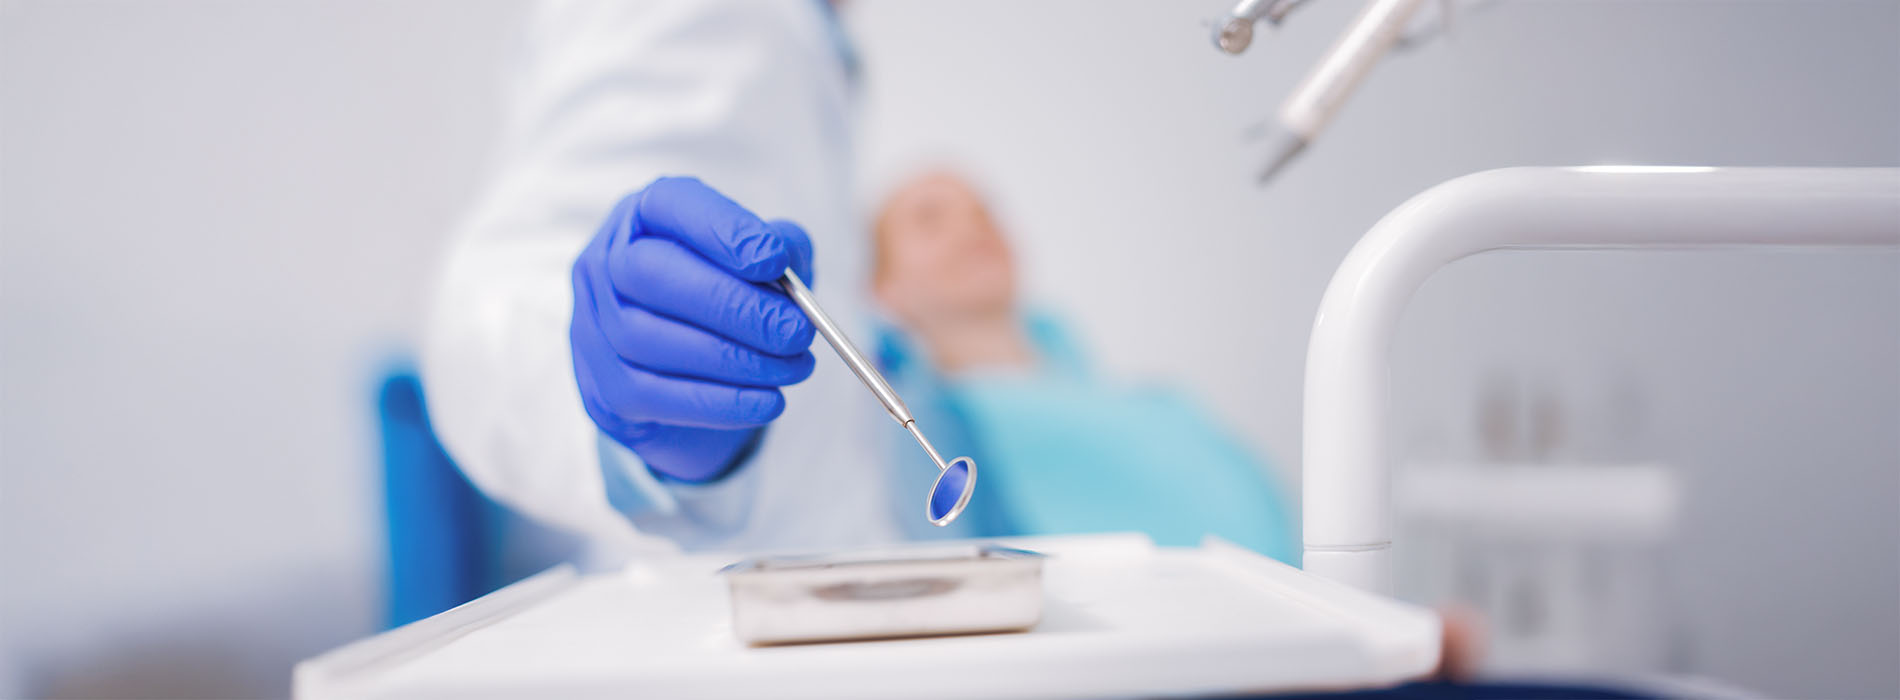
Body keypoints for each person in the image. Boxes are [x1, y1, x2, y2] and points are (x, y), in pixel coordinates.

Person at [423, 0, 897, 556]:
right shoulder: (688, 15)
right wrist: (633, 411)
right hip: (714, 602)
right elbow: (496, 312)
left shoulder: (813, 37)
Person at [866, 171, 1298, 561]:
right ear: (882, 286)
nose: (971, 227)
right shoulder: (919, 438)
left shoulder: (1158, 404)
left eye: (983, 212)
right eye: (930, 220)